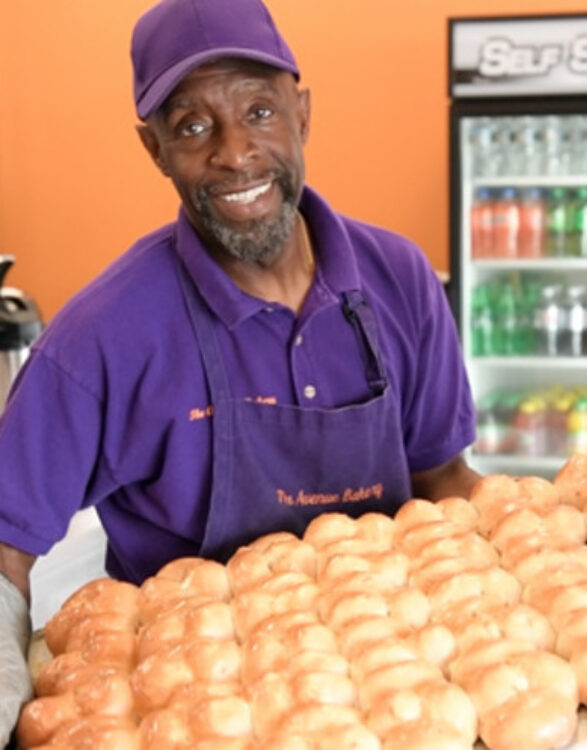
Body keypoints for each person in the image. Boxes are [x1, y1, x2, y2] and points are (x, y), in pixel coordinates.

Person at [0, 0, 480, 741]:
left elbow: (444, 481)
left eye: (259, 110)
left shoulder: (399, 279)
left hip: (392, 697)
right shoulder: (103, 337)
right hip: (196, 710)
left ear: (303, 113)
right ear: (153, 148)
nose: (234, 152)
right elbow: (5, 546)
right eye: (193, 126)